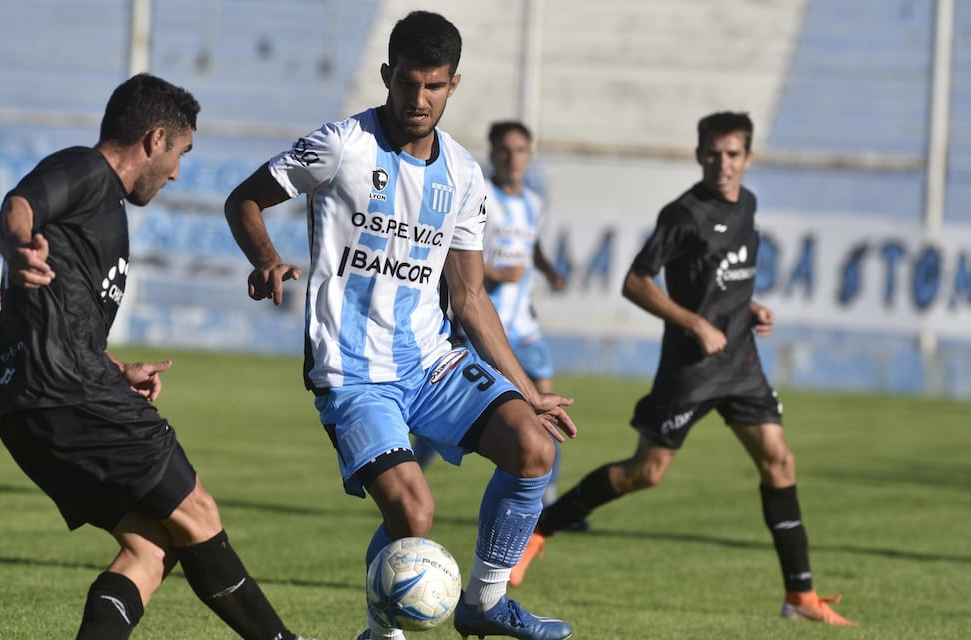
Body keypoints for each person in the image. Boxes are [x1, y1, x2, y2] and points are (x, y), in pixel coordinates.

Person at [224, 11, 576, 640]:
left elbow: (469, 296)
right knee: (414, 511)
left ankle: (485, 603)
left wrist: (525, 391)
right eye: (407, 83)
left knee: (534, 446)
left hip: (428, 361)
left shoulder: (465, 176)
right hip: (352, 371)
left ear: (454, 85)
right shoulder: (341, 146)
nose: (418, 100)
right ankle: (381, 634)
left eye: (433, 86)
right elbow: (243, 198)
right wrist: (268, 258)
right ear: (387, 75)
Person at [0, 73, 313, 640]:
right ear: (155, 138)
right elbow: (15, 207)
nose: (178, 173)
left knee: (150, 548)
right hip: (70, 391)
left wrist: (117, 367)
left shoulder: (101, 211)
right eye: (181, 154)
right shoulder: (88, 171)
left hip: (26, 407)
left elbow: (65, 317)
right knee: (199, 515)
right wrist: (18, 247)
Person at [509, 111, 854, 626]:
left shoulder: (749, 205)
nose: (723, 163)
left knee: (780, 462)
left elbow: (725, 280)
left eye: (733, 154)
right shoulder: (684, 213)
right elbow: (636, 281)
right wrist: (695, 323)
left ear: (748, 157)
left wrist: (748, 308)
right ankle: (539, 529)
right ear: (699, 155)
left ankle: (800, 598)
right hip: (690, 370)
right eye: (713, 153)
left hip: (740, 363)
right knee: (644, 473)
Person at [414, 121, 570, 507]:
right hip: (487, 328)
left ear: (529, 156)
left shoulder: (534, 202)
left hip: (527, 330)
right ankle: (408, 475)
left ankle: (546, 503)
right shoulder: (483, 199)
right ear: (494, 155)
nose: (512, 158)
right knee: (448, 420)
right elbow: (459, 258)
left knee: (548, 409)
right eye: (505, 151)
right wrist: (499, 274)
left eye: (520, 151)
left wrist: (547, 270)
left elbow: (530, 245)